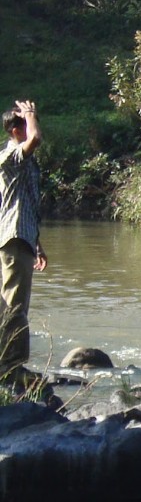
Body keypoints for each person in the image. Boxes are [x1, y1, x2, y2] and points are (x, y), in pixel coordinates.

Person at [0, 100, 46, 387]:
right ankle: (11, 367)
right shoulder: (11, 158)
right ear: (16, 130)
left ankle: (7, 363)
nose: (33, 124)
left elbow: (22, 204)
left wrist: (37, 243)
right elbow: (36, 138)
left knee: (10, 304)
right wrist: (29, 114)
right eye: (27, 122)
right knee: (15, 305)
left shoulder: (22, 162)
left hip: (21, 237)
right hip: (14, 240)